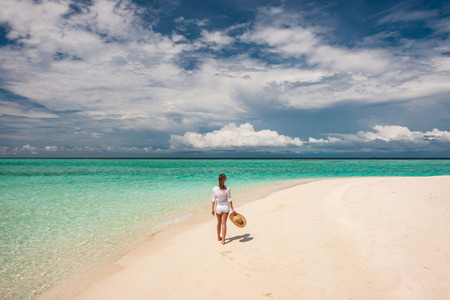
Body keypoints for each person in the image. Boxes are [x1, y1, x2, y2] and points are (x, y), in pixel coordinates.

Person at [211, 174, 237, 245]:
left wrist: (212, 209)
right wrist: (232, 209)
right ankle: (223, 240)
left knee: (218, 223)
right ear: (224, 180)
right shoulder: (227, 188)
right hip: (225, 207)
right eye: (225, 179)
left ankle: (218, 237)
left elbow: (213, 200)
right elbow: (229, 200)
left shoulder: (214, 188)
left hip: (218, 208)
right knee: (224, 224)